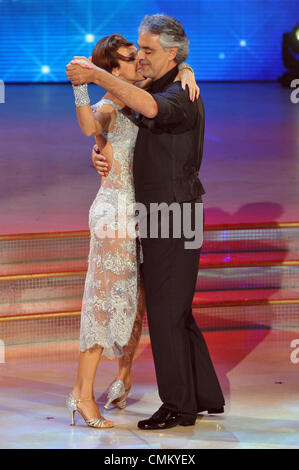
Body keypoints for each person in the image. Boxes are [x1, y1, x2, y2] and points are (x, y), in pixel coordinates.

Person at [65, 33, 199, 429]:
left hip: (146, 213)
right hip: (115, 213)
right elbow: (91, 127)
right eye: (129, 58)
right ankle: (81, 394)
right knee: (104, 301)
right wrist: (80, 90)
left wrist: (187, 68)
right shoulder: (112, 99)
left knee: (137, 300)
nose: (138, 61)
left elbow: (163, 88)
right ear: (112, 69)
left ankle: (123, 377)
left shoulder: (147, 92)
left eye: (139, 55)